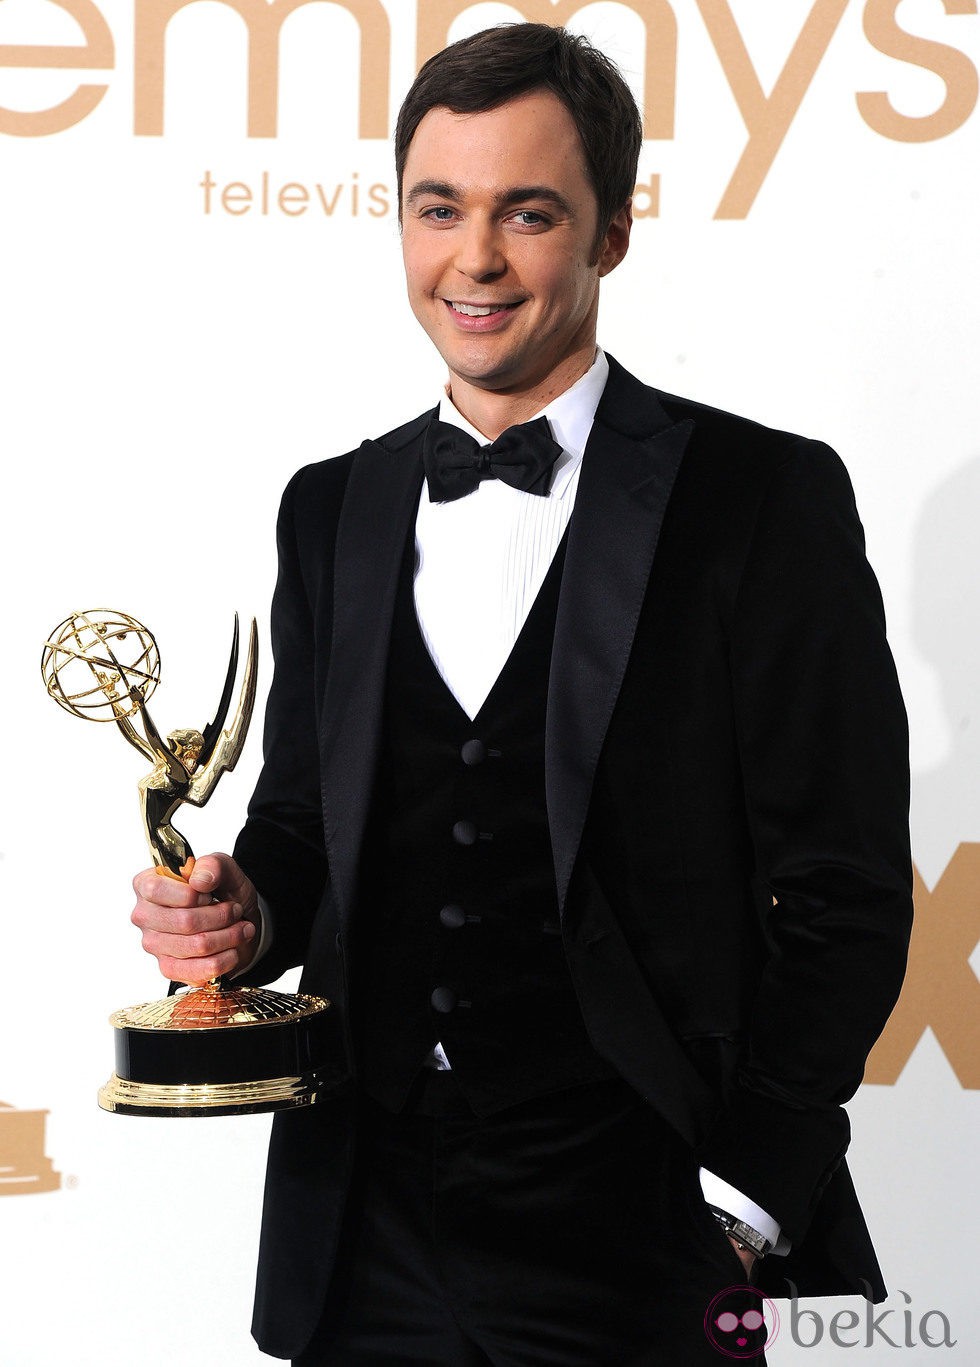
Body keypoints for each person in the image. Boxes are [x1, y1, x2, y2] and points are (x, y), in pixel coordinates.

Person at [130, 23, 913, 1366]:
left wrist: (743, 1198)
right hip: (366, 1221)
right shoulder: (334, 507)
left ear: (610, 234)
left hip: (650, 1228)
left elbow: (843, 890)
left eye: (528, 213)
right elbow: (307, 828)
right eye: (439, 209)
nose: (475, 259)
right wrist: (239, 919)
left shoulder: (760, 500)